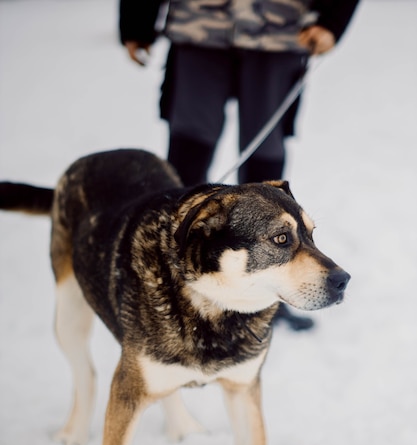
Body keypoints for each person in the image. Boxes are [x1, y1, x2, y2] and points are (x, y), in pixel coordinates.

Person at [119, 0, 359, 330]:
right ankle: (169, 282)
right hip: (199, 25)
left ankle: (270, 289)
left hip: (279, 29)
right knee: (189, 146)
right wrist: (136, 22)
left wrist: (333, 21)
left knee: (265, 150)